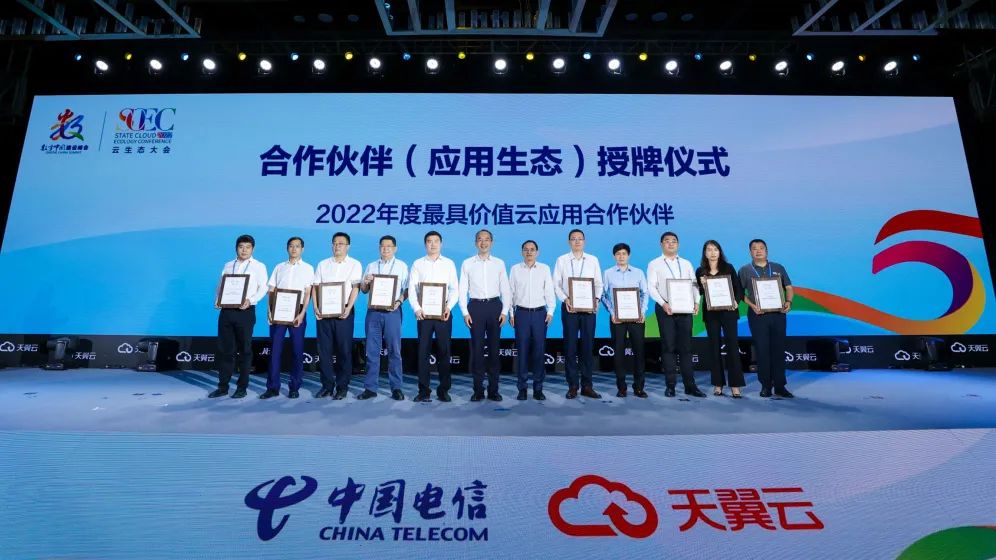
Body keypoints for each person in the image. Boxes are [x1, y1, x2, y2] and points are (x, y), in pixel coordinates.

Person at [647, 232, 707, 398]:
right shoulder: (654, 264)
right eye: (667, 241)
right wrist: (663, 303)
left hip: (685, 308)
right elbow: (651, 287)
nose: (671, 244)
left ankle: (690, 386)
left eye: (674, 241)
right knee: (669, 347)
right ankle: (671, 386)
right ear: (661, 244)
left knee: (686, 348)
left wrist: (696, 302)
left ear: (678, 244)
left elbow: (694, 284)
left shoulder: (686, 263)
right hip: (665, 308)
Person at [210, 234, 268, 399]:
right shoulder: (228, 265)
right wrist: (218, 299)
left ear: (253, 249)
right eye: (241, 247)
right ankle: (223, 387)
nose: (244, 250)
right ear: (236, 248)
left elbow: (263, 288)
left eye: (248, 247)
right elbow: (221, 285)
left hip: (245, 312)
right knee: (225, 350)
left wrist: (251, 300)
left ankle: (242, 387)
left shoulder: (259, 266)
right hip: (227, 312)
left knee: (245, 351)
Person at [458, 229, 512, 402]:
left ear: (492, 242)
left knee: (494, 351)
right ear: (476, 243)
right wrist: (465, 312)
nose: (483, 242)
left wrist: (504, 311)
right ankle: (478, 390)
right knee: (477, 351)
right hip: (475, 307)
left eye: (487, 239)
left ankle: (494, 390)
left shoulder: (499, 263)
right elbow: (462, 290)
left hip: (495, 306)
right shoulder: (467, 263)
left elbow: (506, 289)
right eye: (480, 239)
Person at [738, 239, 795, 398]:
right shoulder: (744, 270)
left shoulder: (778, 267)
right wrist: (752, 305)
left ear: (767, 251)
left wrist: (789, 302)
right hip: (757, 315)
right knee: (762, 350)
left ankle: (780, 386)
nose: (758, 251)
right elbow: (740, 293)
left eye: (761, 248)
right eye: (754, 248)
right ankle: (765, 385)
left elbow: (788, 287)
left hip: (778, 314)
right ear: (750, 252)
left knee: (778, 349)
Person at [260, 236, 314, 400]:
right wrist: (269, 311)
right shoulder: (279, 267)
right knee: (275, 350)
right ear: (287, 248)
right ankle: (272, 387)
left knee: (297, 350)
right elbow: (271, 290)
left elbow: (308, 293)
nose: (294, 249)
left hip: (298, 312)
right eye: (291, 246)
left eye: (297, 246)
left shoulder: (308, 268)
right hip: (278, 312)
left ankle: (294, 387)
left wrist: (302, 313)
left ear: (302, 249)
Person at [553, 229, 603, 400]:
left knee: (587, 348)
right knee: (570, 347)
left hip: (589, 309)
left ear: (584, 241)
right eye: (573, 239)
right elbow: (556, 284)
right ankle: (573, 386)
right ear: (569, 242)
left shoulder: (593, 260)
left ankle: (587, 386)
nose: (577, 241)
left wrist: (596, 299)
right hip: (569, 308)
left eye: (580, 239)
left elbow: (598, 283)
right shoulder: (562, 260)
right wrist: (565, 299)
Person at [409, 230, 459, 402]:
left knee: (444, 351)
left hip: (443, 313)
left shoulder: (449, 264)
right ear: (425, 244)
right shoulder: (418, 264)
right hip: (423, 314)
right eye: (429, 241)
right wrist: (417, 309)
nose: (433, 244)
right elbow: (412, 289)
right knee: (423, 352)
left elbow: (454, 289)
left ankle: (444, 390)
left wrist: (448, 307)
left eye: (436, 241)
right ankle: (423, 390)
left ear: (441, 243)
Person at [312, 232, 362, 400]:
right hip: (324, 313)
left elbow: (355, 288)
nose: (337, 246)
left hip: (344, 313)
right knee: (324, 351)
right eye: (334, 243)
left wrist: (349, 307)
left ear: (348, 246)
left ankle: (342, 387)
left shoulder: (355, 264)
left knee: (344, 351)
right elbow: (316, 287)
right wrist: (316, 307)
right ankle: (327, 386)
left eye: (341, 243)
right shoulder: (322, 264)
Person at [359, 235, 408, 401]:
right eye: (382, 246)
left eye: (389, 246)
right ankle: (370, 388)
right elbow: (364, 289)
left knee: (395, 350)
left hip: (392, 312)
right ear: (379, 248)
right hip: (373, 312)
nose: (385, 249)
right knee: (371, 351)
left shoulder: (401, 266)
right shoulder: (371, 265)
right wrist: (366, 282)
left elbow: (407, 289)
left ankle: (396, 388)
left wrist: (398, 302)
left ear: (395, 248)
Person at [696, 240, 746, 398]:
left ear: (720, 252)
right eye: (709, 249)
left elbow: (738, 288)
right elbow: (699, 293)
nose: (712, 252)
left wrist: (735, 302)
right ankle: (718, 384)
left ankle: (735, 385)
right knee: (714, 347)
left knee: (732, 347)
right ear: (705, 253)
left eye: (715, 249)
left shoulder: (728, 268)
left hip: (729, 312)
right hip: (711, 314)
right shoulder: (700, 271)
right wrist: (701, 284)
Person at [509, 240, 556, 401]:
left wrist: (550, 311)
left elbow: (549, 291)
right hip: (521, 314)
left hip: (539, 314)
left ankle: (538, 388)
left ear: (537, 252)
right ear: (522, 252)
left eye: (532, 249)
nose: (529, 252)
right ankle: (522, 388)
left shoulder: (544, 269)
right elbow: (510, 293)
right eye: (526, 249)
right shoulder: (515, 269)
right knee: (521, 352)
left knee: (539, 352)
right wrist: (511, 314)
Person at [602, 243, 649, 398]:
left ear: (628, 255)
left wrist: (642, 311)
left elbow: (645, 293)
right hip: (617, 319)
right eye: (618, 254)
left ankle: (639, 387)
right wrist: (612, 312)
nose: (621, 256)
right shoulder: (608, 273)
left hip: (636, 318)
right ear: (614, 256)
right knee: (618, 353)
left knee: (639, 352)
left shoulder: (638, 272)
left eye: (624, 253)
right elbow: (602, 295)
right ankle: (621, 387)